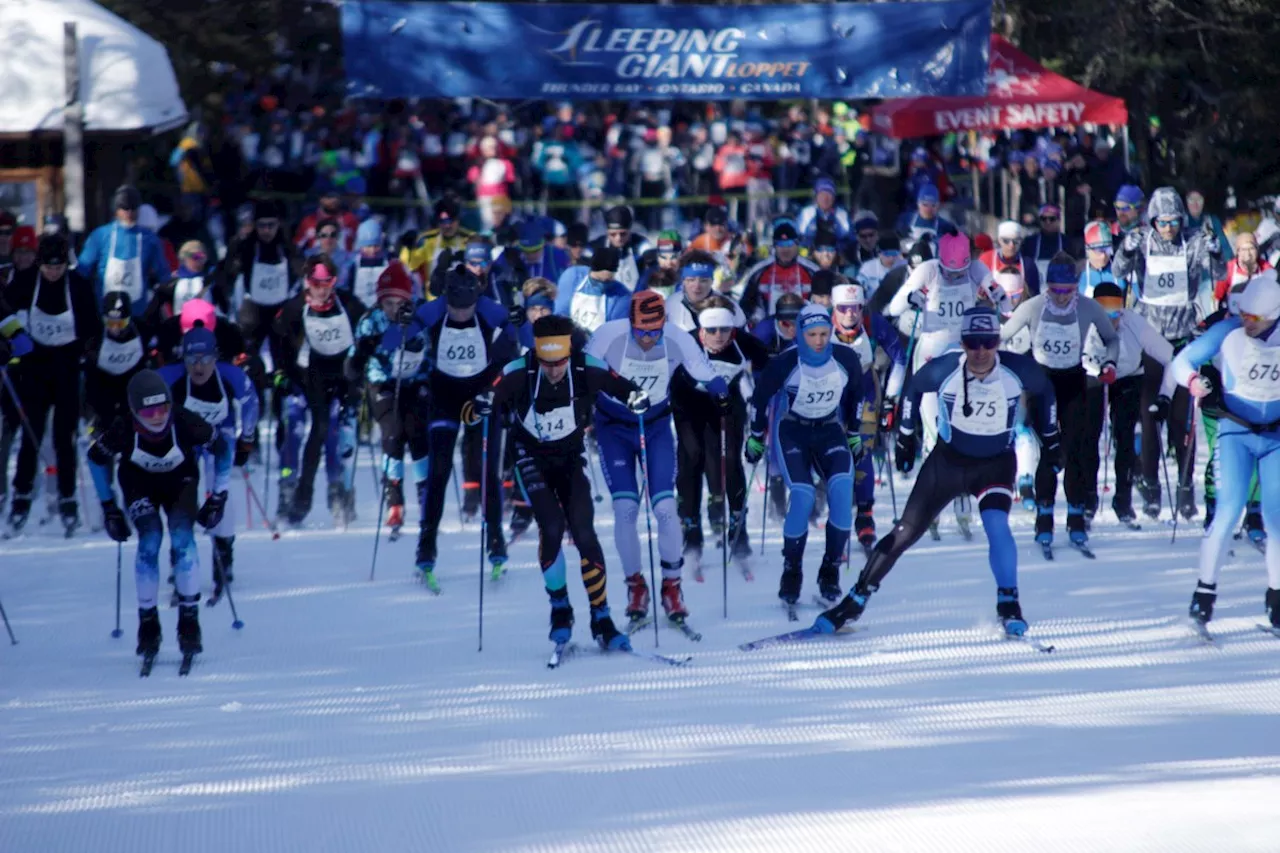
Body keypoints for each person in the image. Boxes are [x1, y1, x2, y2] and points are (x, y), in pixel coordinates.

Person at [814, 307, 1059, 636]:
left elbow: (1045, 390)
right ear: (963, 343)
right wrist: (905, 435)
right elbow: (915, 387)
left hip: (995, 464)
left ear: (999, 342)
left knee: (997, 525)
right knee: (905, 530)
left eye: (989, 343)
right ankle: (855, 600)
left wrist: (1051, 435)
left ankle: (1009, 603)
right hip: (948, 462)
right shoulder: (947, 369)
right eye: (973, 343)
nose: (981, 351)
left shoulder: (1017, 370)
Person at [470, 315, 642, 650]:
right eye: (547, 363)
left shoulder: (586, 367)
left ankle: (601, 617)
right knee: (550, 527)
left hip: (570, 458)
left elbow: (623, 387)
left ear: (569, 353)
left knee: (584, 531)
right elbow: (474, 407)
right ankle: (560, 609)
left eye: (559, 362)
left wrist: (636, 397)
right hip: (531, 457)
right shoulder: (519, 370)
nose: (553, 370)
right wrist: (481, 406)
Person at [585, 291, 730, 628]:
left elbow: (704, 371)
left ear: (664, 322)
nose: (648, 339)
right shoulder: (610, 334)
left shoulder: (677, 338)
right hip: (614, 428)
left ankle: (672, 586)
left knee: (664, 509)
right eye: (641, 331)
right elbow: (584, 368)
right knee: (625, 510)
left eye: (655, 331)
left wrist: (719, 390)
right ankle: (636, 585)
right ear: (631, 323)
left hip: (655, 428)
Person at [382, 268, 517, 586]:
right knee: (438, 473)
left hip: (481, 395)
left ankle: (496, 544)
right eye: (455, 307)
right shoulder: (434, 309)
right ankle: (425, 551)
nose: (460, 313)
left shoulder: (486, 308)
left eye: (466, 307)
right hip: (444, 395)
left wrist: (518, 321)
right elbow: (391, 343)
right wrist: (401, 323)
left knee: (486, 472)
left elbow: (517, 339)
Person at [1166, 272, 1280, 629]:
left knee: (1276, 520)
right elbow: (1181, 361)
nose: (1247, 323)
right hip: (1236, 432)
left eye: (1255, 319)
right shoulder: (1228, 329)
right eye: (1244, 314)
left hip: (1275, 437)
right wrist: (1193, 381)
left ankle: (1277, 598)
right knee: (1228, 510)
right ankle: (1204, 594)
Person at [88, 370, 223, 668]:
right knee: (149, 541)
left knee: (182, 539)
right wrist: (109, 508)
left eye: (163, 407)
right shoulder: (123, 428)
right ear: (135, 411)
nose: (158, 417)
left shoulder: (184, 420)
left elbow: (221, 447)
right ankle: (148, 623)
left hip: (181, 484)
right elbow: (95, 457)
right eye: (149, 411)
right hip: (139, 485)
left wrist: (218, 497)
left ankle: (189, 621)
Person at [1112, 186, 1226, 518]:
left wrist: (1216, 251)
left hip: (1182, 339)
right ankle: (1150, 486)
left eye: (1174, 221)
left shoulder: (1191, 242)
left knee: (1181, 420)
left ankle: (1185, 486)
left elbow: (1218, 273)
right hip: (1150, 339)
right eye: (1162, 222)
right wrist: (1125, 248)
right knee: (1150, 417)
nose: (1168, 228)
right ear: (1152, 220)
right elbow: (1119, 271)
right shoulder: (1144, 241)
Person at [746, 304, 865, 608]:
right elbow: (759, 400)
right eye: (812, 334)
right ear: (800, 333)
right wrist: (757, 437)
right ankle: (792, 570)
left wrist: (853, 432)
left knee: (840, 492)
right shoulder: (786, 362)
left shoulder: (845, 358)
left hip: (829, 431)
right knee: (802, 494)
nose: (819, 340)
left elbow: (857, 396)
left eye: (825, 333)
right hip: (793, 431)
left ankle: (830, 571)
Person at [1000, 256, 1119, 548]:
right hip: (1043, 383)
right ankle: (1044, 515)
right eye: (1056, 290)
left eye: (1068, 291)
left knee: (1075, 449)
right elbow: (1002, 336)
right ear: (1047, 287)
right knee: (1050, 451)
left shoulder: (1089, 307)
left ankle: (1076, 515)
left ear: (1076, 288)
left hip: (1073, 381)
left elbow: (1111, 339)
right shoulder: (1034, 307)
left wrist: (1109, 364)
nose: (1062, 297)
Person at [6, 234, 100, 535]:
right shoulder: (26, 280)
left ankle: (68, 498)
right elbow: (5, 313)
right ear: (40, 263)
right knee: (31, 433)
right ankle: (20, 499)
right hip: (34, 366)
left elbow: (93, 326)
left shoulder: (77, 284)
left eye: (59, 267)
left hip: (67, 368)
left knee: (65, 437)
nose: (53, 272)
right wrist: (11, 344)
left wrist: (89, 350)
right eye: (48, 267)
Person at [671, 294, 770, 577]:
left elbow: (769, 368)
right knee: (691, 461)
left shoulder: (743, 342)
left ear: (733, 329)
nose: (717, 336)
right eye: (711, 330)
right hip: (688, 407)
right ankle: (691, 534)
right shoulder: (686, 342)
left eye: (724, 330)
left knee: (728, 464)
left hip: (727, 408)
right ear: (701, 330)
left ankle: (738, 531)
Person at [158, 324, 258, 595]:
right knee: (181, 496)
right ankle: (179, 556)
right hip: (186, 440)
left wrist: (246, 439)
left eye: (204, 360)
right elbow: (142, 398)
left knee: (220, 495)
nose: (198, 367)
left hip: (219, 437)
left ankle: (223, 557)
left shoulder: (230, 375)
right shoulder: (170, 376)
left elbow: (251, 403)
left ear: (215, 358)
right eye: (191, 360)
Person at [271, 256, 367, 525]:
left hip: (345, 377)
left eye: (328, 283)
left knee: (341, 432)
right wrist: (281, 374)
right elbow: (278, 341)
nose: (322, 289)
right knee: (315, 430)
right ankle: (298, 494)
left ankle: (340, 492)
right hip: (310, 377)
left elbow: (369, 329)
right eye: (316, 283)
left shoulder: (347, 303)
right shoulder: (295, 308)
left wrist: (364, 363)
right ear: (307, 283)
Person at [350, 262, 429, 540]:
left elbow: (432, 350)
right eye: (387, 302)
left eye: (399, 302)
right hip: (382, 383)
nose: (393, 308)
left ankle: (425, 493)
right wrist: (360, 356)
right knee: (393, 434)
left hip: (415, 382)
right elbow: (353, 361)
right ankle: (394, 500)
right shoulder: (370, 320)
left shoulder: (420, 314)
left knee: (418, 433)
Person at [1082, 282, 1173, 525]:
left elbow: (1171, 356)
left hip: (1129, 377)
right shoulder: (1085, 322)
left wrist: (1165, 395)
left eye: (1115, 310)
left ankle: (1123, 501)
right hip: (1095, 376)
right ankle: (1089, 499)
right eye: (1103, 310)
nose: (1110, 317)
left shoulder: (1134, 323)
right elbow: (1078, 356)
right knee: (1090, 437)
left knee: (1124, 438)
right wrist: (1098, 369)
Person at [831, 283, 906, 551]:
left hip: (864, 388)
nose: (850, 314)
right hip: (830, 391)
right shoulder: (820, 324)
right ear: (834, 309)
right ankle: (835, 507)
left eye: (855, 308)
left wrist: (890, 398)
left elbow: (900, 357)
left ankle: (865, 515)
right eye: (843, 309)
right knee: (834, 450)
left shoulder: (873, 324)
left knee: (861, 448)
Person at [78, 185, 171, 319]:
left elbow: (163, 274)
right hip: (104, 311)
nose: (129, 213)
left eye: (133, 209)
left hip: (137, 313)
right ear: (116, 209)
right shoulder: (101, 235)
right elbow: (82, 270)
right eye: (124, 208)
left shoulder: (150, 239)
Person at [739, 220, 819, 323]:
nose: (785, 249)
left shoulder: (812, 271)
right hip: (768, 327)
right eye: (780, 244)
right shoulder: (759, 271)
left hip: (803, 325)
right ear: (774, 246)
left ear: (797, 245)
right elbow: (746, 304)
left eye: (789, 244)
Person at [555, 247, 631, 336]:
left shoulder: (622, 296)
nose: (602, 285)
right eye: (597, 281)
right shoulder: (572, 277)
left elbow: (614, 334)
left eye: (607, 281)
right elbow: (560, 314)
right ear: (591, 270)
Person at [665, 250, 748, 333]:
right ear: (683, 281)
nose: (697, 286)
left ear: (712, 281)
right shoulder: (669, 306)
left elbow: (745, 341)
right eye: (691, 280)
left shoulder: (731, 307)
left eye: (703, 280)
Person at [403, 198, 476, 285]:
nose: (447, 226)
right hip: (433, 296)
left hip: (463, 294)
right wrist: (409, 249)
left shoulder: (471, 239)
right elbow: (408, 267)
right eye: (443, 221)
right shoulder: (427, 239)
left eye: (451, 221)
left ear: (458, 220)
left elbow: (482, 268)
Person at [589, 206, 649, 291]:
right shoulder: (596, 247)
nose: (618, 238)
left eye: (623, 234)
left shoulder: (640, 244)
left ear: (630, 231)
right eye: (613, 234)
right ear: (607, 232)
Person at [981, 220, 1041, 295]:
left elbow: (1033, 295)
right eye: (1006, 241)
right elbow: (980, 288)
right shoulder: (986, 259)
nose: (1011, 245)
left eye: (1016, 241)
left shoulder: (1028, 265)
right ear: (999, 240)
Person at [1213, 232, 1270, 308]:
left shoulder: (1266, 268)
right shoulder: (1228, 269)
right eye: (1243, 249)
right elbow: (1216, 298)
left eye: (1251, 248)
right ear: (1238, 252)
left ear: (1257, 250)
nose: (1248, 253)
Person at [294, 187, 359, 253]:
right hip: (316, 260)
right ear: (321, 199)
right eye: (329, 197)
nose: (334, 200)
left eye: (336, 197)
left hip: (345, 261)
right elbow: (297, 246)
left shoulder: (350, 219)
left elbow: (359, 243)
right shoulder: (308, 221)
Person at [344, 219, 390, 307]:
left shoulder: (389, 263)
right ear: (361, 246)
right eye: (368, 246)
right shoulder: (352, 264)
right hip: (359, 310)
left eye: (376, 246)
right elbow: (347, 289)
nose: (372, 250)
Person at [1021, 205, 1069, 284]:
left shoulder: (1066, 242)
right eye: (1044, 219)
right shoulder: (1030, 242)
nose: (1048, 222)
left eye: (1052, 219)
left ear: (1058, 220)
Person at [796, 176, 851, 246]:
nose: (825, 198)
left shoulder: (842, 214)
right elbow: (799, 237)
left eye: (829, 194)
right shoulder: (806, 213)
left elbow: (847, 238)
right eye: (822, 194)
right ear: (816, 196)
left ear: (834, 197)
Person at [855, 234, 906, 301]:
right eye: (887, 254)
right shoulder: (867, 268)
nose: (891, 258)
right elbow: (858, 291)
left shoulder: (906, 267)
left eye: (894, 254)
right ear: (879, 253)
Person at [1078, 220, 1120, 298]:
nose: (1103, 256)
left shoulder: (1120, 269)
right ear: (1087, 249)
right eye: (1098, 251)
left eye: (1107, 249)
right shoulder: (1077, 272)